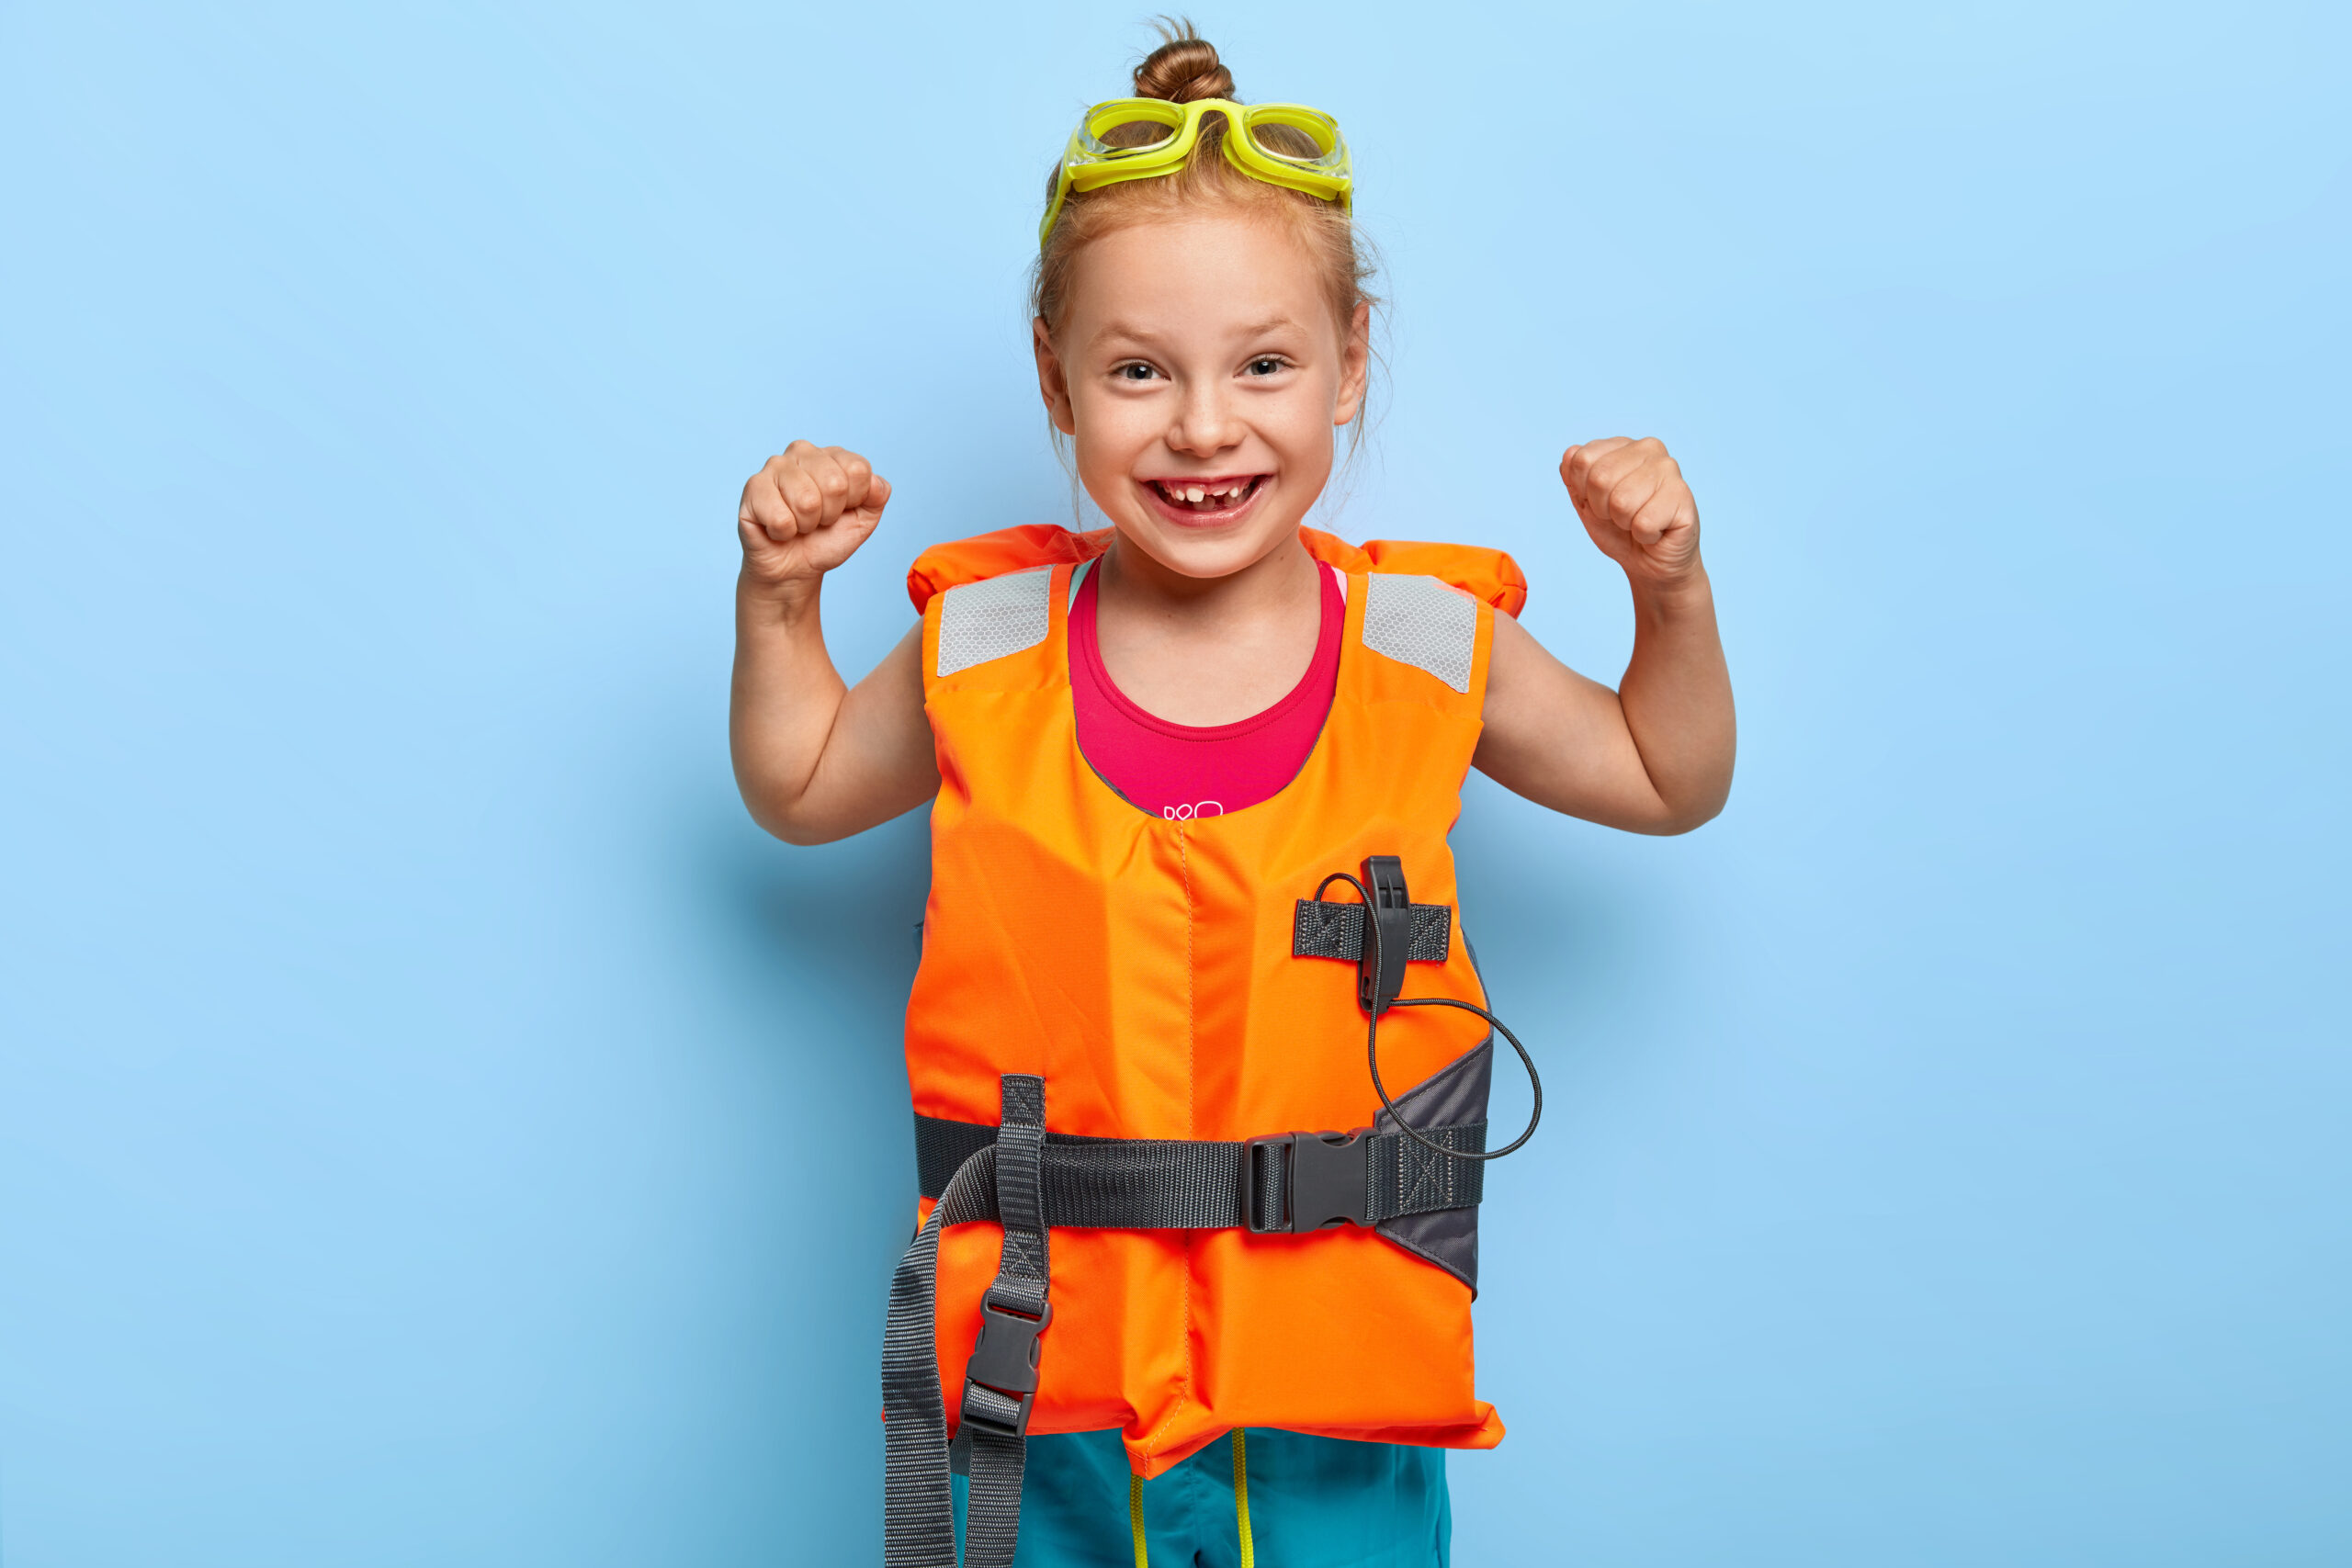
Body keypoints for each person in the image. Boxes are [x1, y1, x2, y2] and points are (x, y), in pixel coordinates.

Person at [729, 26, 1734, 1568]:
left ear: (1352, 365)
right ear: (1054, 383)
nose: (1204, 427)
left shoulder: (1429, 645)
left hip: (1330, 1414)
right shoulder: (980, 646)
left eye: (1264, 366)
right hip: (1039, 1394)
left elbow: (1670, 778)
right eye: (1140, 372)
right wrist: (780, 603)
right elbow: (797, 788)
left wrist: (1669, 590)